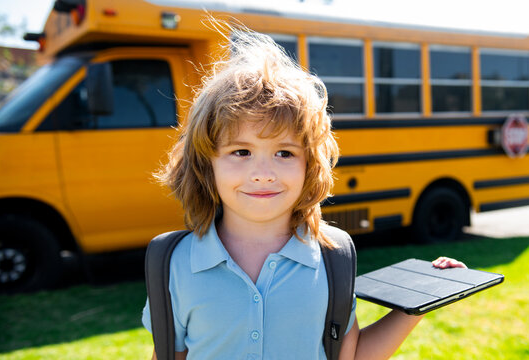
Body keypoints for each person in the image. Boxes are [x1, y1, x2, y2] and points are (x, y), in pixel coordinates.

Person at [141, 27, 466, 360]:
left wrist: (420, 302)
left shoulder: (331, 258)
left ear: (310, 165)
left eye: (284, 153)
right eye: (241, 152)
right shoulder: (176, 263)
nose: (263, 174)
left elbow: (350, 356)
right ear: (206, 164)